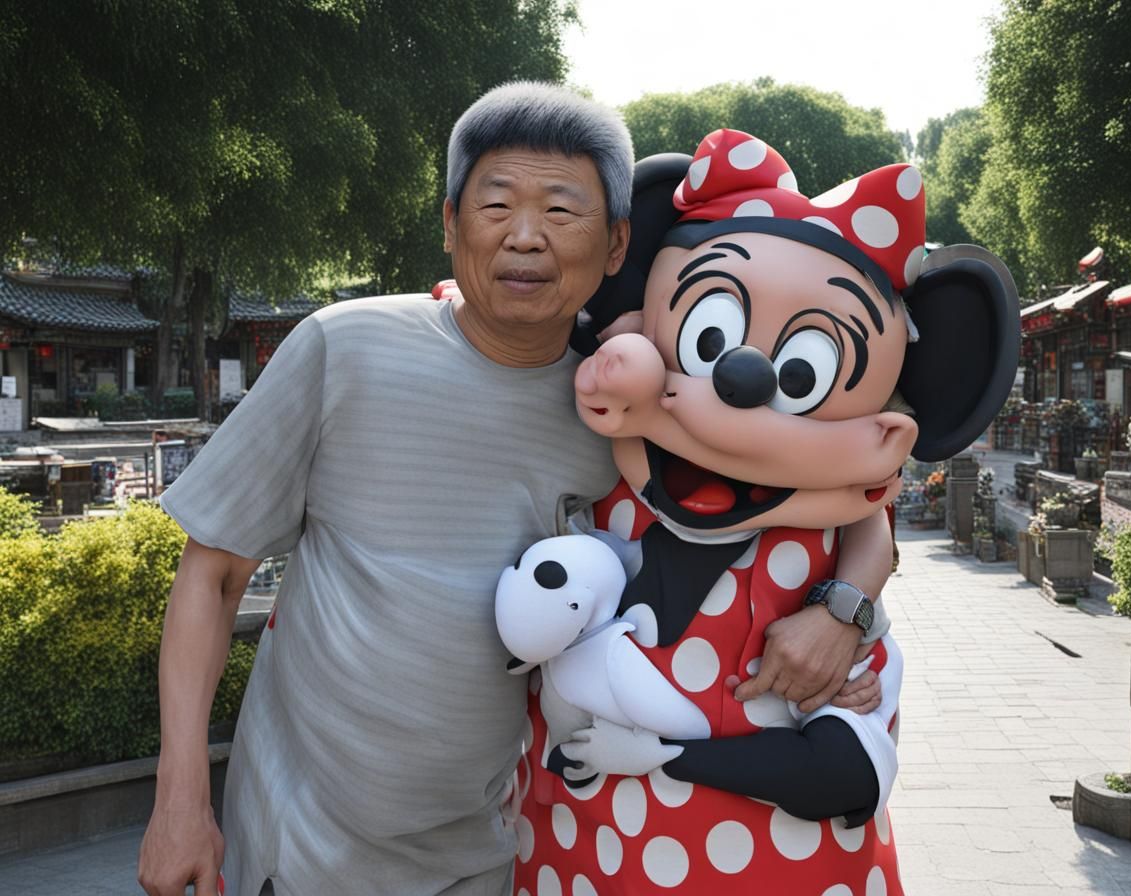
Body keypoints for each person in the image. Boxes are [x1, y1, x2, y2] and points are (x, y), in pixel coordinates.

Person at [137, 85, 885, 896]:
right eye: (496, 204)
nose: (526, 236)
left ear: (615, 245)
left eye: (563, 212)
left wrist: (844, 608)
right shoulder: (343, 349)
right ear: (453, 224)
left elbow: (841, 483)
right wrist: (179, 800)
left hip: (492, 852)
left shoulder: (624, 413)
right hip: (301, 844)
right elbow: (211, 575)